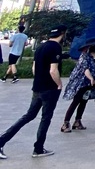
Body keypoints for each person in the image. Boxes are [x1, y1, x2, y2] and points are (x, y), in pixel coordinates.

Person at [0, 24, 67, 159]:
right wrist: (59, 84)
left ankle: (2, 140)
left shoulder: (41, 46)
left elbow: (34, 68)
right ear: (63, 34)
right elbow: (53, 70)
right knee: (45, 118)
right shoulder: (55, 47)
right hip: (50, 89)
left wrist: (39, 80)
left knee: (28, 116)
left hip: (38, 87)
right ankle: (38, 149)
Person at [60, 39, 95, 132]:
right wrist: (91, 78)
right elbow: (85, 68)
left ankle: (77, 121)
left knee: (84, 101)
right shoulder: (84, 56)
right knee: (76, 101)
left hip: (92, 83)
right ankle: (66, 123)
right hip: (81, 81)